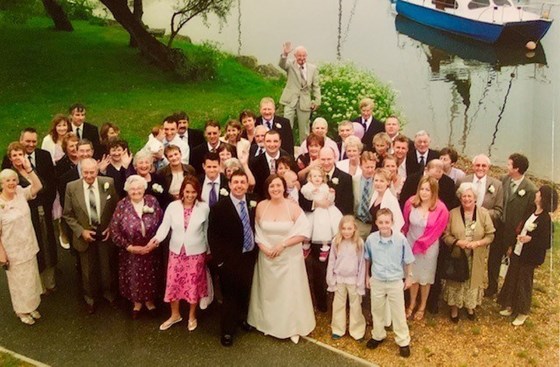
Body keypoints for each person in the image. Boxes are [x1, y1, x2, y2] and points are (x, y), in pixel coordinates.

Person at [247, 174, 314, 344]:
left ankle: (292, 327)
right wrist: (264, 248)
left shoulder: (292, 207)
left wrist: (282, 245)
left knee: (289, 293)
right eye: (272, 186)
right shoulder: (262, 206)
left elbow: (304, 231)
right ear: (267, 189)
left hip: (288, 257)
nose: (275, 189)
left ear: (284, 187)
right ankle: (268, 324)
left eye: (278, 186)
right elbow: (257, 230)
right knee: (269, 292)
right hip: (267, 256)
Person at [151, 175, 213, 331]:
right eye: (187, 192)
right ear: (182, 191)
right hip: (176, 252)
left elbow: (206, 231)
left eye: (193, 192)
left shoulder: (204, 208)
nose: (190, 195)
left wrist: (209, 251)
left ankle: (192, 315)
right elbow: (164, 227)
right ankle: (175, 315)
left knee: (193, 285)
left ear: (197, 192)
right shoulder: (173, 206)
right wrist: (155, 240)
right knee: (173, 283)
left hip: (196, 252)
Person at [300, 147, 353, 313]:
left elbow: (347, 205)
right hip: (316, 228)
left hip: (337, 228)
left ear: (335, 158)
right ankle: (321, 303)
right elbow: (303, 203)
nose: (326, 162)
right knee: (318, 267)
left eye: (329, 159)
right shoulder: (309, 180)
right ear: (318, 159)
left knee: (340, 264)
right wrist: (317, 203)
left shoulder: (345, 178)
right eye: (322, 159)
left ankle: (340, 302)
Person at [208, 171, 258, 347]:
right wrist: (220, 261)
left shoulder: (253, 202)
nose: (239, 185)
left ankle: (241, 320)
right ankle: (227, 331)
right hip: (229, 260)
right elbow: (212, 235)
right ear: (229, 184)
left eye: (242, 182)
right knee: (230, 296)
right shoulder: (219, 207)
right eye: (235, 182)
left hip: (249, 256)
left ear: (246, 185)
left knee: (245, 291)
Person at [62, 158, 119, 314]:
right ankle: (90, 299)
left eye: (92, 172)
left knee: (107, 268)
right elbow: (67, 215)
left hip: (104, 233)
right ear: (81, 171)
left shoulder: (108, 183)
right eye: (85, 172)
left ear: (97, 170)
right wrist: (81, 231)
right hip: (84, 235)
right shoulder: (72, 187)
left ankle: (109, 295)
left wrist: (111, 227)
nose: (88, 176)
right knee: (88, 271)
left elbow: (117, 208)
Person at [3, 135, 58, 293]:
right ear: (10, 157)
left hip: (38, 209)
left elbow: (43, 186)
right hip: (18, 216)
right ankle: (34, 285)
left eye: (20, 154)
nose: (18, 158)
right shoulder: (8, 171)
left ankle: (49, 279)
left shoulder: (30, 167)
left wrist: (28, 170)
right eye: (14, 155)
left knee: (45, 244)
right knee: (26, 249)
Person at [497, 185, 557, 326]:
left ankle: (522, 312)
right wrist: (513, 244)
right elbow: (520, 227)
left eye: (539, 193)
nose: (536, 194)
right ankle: (510, 305)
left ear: (543, 198)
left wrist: (531, 239)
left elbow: (546, 242)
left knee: (524, 283)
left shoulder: (545, 219)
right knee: (512, 279)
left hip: (529, 256)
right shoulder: (531, 210)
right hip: (518, 251)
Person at [110, 175, 163, 319]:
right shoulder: (122, 205)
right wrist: (129, 247)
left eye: (139, 188)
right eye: (132, 189)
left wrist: (154, 243)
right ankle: (137, 303)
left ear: (144, 188)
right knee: (134, 277)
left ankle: (150, 301)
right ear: (127, 190)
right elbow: (114, 230)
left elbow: (162, 224)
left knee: (151, 276)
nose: (136, 191)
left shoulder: (152, 201)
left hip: (151, 248)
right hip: (131, 252)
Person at [442, 183, 495, 322]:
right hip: (457, 255)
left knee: (472, 280)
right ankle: (454, 308)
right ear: (460, 198)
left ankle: (470, 306)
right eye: (464, 196)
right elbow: (445, 235)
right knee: (456, 281)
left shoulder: (483, 213)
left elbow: (490, 235)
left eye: (469, 196)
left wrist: (477, 243)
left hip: (475, 254)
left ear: (475, 198)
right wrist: (458, 242)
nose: (466, 199)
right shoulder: (452, 213)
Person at [364, 208, 414, 358]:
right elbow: (367, 258)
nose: (384, 225)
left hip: (395, 281)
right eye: (381, 222)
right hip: (377, 280)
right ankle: (378, 335)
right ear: (376, 223)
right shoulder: (371, 239)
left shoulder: (401, 239)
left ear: (392, 222)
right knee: (376, 309)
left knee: (398, 312)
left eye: (387, 222)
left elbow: (408, 260)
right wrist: (367, 276)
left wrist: (409, 276)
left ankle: (403, 341)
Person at [486, 153, 537, 298]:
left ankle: (507, 291)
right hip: (499, 227)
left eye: (509, 164)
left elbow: (529, 214)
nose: (506, 166)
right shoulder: (502, 180)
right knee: (493, 258)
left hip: (515, 231)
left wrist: (520, 232)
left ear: (517, 168)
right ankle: (492, 286)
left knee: (511, 261)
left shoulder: (530, 190)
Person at [0, 163, 44, 325]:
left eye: (14, 179)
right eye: (7, 181)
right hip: (12, 251)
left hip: (28, 244)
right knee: (18, 282)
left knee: (31, 278)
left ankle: (31, 306)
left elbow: (38, 185)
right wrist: (1, 254)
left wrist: (28, 171)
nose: (11, 183)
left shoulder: (20, 193)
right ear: (1, 184)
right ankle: (21, 310)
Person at [402, 176, 449, 321]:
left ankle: (422, 306)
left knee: (425, 278)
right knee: (413, 276)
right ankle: (412, 303)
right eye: (422, 189)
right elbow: (405, 223)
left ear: (433, 191)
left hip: (428, 247)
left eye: (427, 190)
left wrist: (422, 243)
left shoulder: (441, 208)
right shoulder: (411, 203)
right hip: (411, 242)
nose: (424, 192)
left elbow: (438, 230)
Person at [326, 215, 366, 340]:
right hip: (339, 279)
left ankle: (357, 331)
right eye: (344, 228)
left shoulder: (359, 242)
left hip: (353, 279)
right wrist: (331, 279)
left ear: (354, 229)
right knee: (338, 304)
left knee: (355, 305)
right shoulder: (336, 241)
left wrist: (360, 282)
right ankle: (338, 329)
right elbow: (332, 261)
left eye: (349, 229)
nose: (346, 232)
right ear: (340, 229)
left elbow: (362, 263)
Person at [279, 42, 321, 143]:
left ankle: (305, 150)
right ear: (295, 56)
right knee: (287, 126)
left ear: (306, 56)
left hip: (305, 101)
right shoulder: (290, 65)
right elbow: (282, 64)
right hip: (290, 100)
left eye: (303, 56)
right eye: (299, 56)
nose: (301, 58)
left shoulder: (313, 68)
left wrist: (317, 100)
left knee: (304, 129)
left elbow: (316, 86)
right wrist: (285, 54)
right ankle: (286, 148)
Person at [300, 167, 343, 262]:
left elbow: (330, 200)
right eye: (314, 176)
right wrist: (311, 192)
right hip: (313, 211)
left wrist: (331, 194)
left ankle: (325, 246)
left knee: (324, 226)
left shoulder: (325, 186)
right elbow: (304, 193)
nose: (317, 178)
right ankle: (306, 245)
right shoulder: (308, 186)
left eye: (319, 176)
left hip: (324, 211)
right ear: (310, 178)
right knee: (308, 227)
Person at [250, 130, 290, 199]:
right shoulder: (254, 162)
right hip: (262, 200)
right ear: (264, 143)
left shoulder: (288, 159)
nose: (272, 144)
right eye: (268, 141)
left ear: (280, 143)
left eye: (275, 141)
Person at [369, 168, 404, 234]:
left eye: (382, 181)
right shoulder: (375, 195)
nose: (378, 183)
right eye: (376, 180)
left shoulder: (391, 200)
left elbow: (397, 223)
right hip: (374, 233)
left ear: (388, 182)